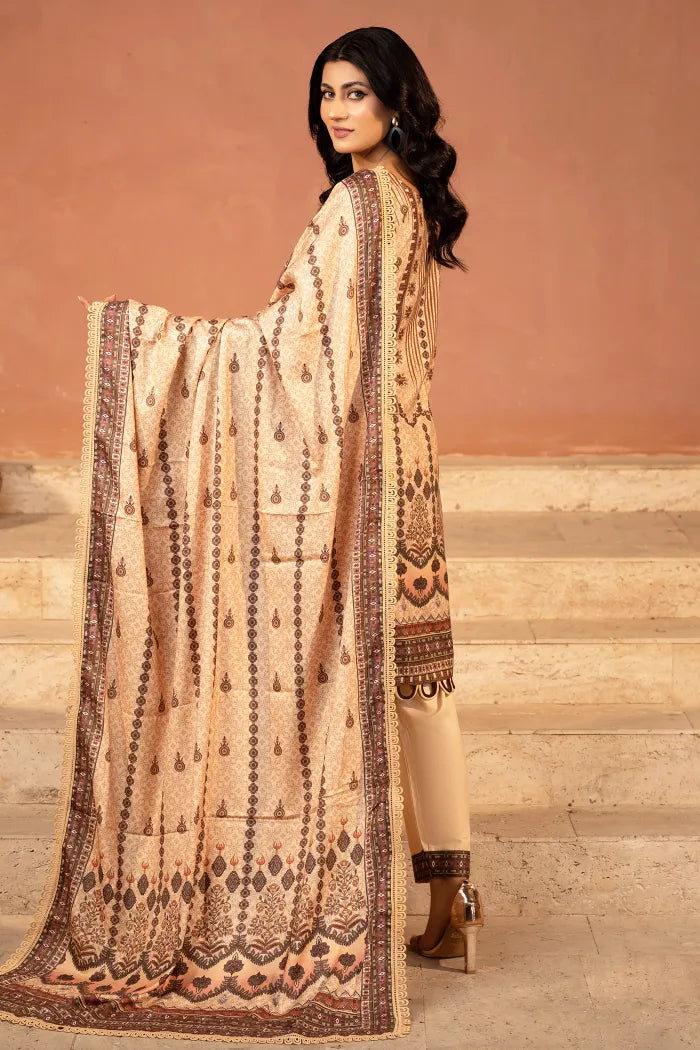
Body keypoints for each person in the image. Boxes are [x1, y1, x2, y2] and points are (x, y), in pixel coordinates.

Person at [0, 25, 482, 1044]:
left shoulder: (357, 205)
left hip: (361, 486)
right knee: (419, 683)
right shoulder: (411, 201)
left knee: (398, 682)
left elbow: (291, 353)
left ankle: (434, 909)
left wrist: (155, 344)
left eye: (355, 93)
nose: (336, 110)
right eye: (326, 94)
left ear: (396, 100)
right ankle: (454, 907)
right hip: (410, 471)